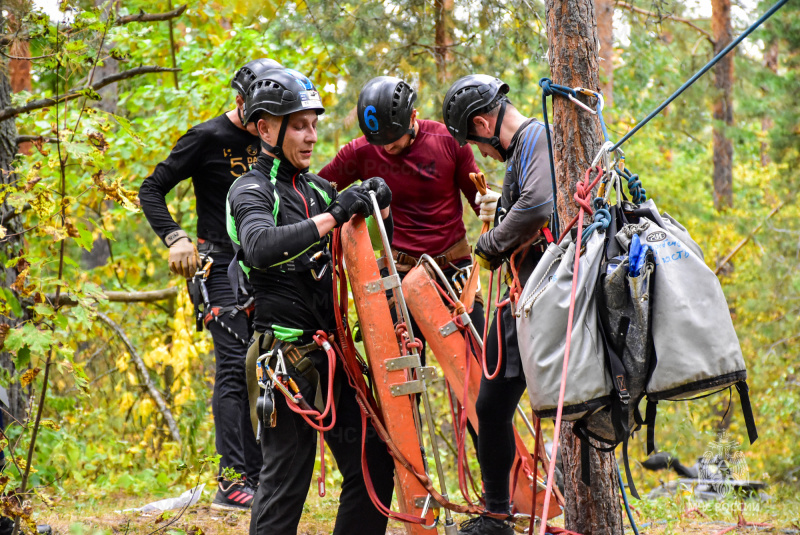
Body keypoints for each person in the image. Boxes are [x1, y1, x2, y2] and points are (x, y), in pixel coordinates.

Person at [226, 68, 395, 535]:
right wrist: (334, 216)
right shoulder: (250, 189)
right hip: (285, 362)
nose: (311, 136)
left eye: (314, 125)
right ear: (265, 129)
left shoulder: (319, 190)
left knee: (374, 465)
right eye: (299, 126)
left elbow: (367, 251)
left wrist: (381, 207)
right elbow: (260, 246)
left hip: (334, 356)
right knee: (285, 487)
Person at [138, 58, 282, 510]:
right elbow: (151, 188)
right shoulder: (207, 137)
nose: (267, 124)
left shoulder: (276, 136)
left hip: (263, 266)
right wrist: (175, 237)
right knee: (235, 366)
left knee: (266, 368)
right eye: (260, 114)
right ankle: (232, 481)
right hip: (218, 265)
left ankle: (260, 477)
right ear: (240, 101)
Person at [442, 75, 554, 535]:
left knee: (511, 407)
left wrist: (490, 243)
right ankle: (496, 515)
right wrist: (501, 207)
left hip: (543, 297)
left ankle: (502, 514)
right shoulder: (525, 149)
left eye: (476, 144)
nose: (482, 154)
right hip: (522, 295)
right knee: (490, 407)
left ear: (484, 124)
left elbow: (539, 204)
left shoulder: (536, 136)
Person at [318, 76, 499, 357]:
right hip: (398, 271)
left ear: (413, 116)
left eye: (392, 139)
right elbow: (316, 193)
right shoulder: (361, 151)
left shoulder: (448, 142)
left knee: (476, 360)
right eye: (379, 142)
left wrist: (500, 220)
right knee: (403, 370)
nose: (386, 148)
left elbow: (481, 203)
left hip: (452, 267)